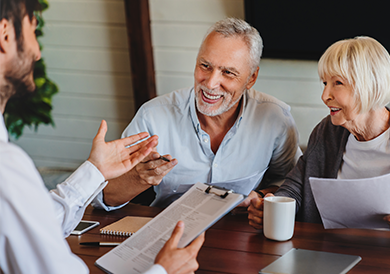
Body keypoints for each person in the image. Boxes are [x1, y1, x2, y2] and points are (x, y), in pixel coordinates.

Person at [0, 1, 204, 274]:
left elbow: (29, 230)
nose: (37, 51)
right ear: (5, 35)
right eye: (33, 29)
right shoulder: (7, 167)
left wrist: (94, 171)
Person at [93, 18, 302, 210]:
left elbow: (291, 185)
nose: (210, 83)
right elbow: (103, 197)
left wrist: (260, 197)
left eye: (228, 72)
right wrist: (138, 178)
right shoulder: (153, 116)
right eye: (205, 66)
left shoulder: (276, 119)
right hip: (171, 233)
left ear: (251, 78)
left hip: (243, 235)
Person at [248, 36, 390, 242]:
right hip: (329, 254)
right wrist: (272, 205)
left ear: (370, 85)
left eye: (337, 83)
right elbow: (297, 185)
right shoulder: (326, 132)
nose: (324, 95)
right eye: (324, 83)